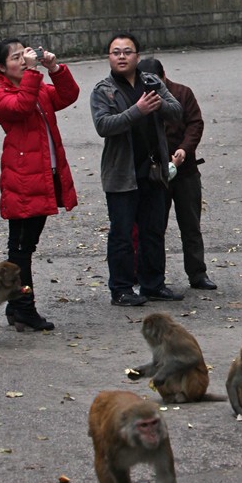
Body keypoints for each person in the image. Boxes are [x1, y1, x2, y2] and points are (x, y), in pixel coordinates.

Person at [0, 38, 79, 332]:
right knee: (20, 250)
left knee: (26, 246)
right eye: (15, 58)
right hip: (23, 181)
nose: (23, 60)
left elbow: (67, 95)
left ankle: (16, 305)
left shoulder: (34, 86)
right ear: (1, 67)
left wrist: (55, 67)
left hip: (43, 176)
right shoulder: (0, 95)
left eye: (25, 54)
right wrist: (35, 72)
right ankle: (23, 307)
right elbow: (20, 107)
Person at [90, 33, 186, 307]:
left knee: (152, 230)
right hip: (121, 174)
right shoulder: (103, 90)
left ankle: (153, 283)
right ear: (109, 57)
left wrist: (159, 106)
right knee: (121, 234)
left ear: (137, 56)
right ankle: (121, 289)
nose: (121, 56)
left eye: (127, 52)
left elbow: (176, 110)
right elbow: (103, 126)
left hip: (153, 170)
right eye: (116, 52)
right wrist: (138, 110)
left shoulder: (151, 82)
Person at [137, 57, 217, 291]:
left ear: (164, 76)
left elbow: (195, 123)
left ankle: (197, 273)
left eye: (155, 80)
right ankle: (153, 278)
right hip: (156, 172)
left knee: (190, 225)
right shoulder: (139, 97)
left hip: (185, 170)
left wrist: (183, 149)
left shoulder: (182, 93)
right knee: (153, 228)